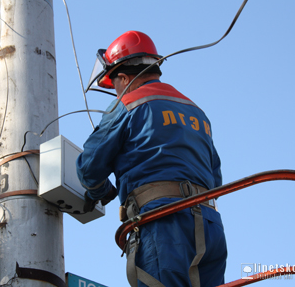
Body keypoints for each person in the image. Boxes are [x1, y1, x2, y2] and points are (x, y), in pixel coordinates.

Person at [76, 31, 227, 287]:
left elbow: (89, 167)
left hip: (163, 223)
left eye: (115, 86)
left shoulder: (129, 103)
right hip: (210, 227)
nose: (116, 93)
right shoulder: (196, 111)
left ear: (123, 78)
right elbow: (216, 178)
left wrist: (100, 191)